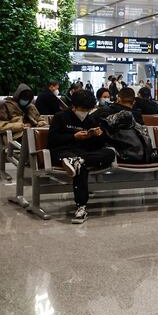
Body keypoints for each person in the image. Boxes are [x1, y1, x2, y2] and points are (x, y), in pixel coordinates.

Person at [47, 90, 116, 224]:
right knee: (81, 167)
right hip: (63, 151)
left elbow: (98, 145)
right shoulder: (60, 117)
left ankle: (76, 162)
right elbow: (52, 140)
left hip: (83, 153)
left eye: (88, 109)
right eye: (83, 109)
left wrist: (99, 135)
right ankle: (81, 207)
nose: (85, 112)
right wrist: (73, 136)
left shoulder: (91, 119)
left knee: (109, 153)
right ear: (74, 106)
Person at [96, 87, 154, 164]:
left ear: (118, 99)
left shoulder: (107, 111)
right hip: (143, 156)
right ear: (133, 102)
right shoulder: (137, 114)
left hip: (122, 156)